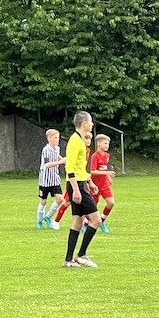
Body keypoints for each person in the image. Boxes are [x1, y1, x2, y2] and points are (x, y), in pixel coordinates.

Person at [62, 112, 102, 268]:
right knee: (96, 220)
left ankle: (68, 260)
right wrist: (76, 190)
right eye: (91, 122)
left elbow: (79, 168)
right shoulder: (75, 141)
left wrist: (89, 182)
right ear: (84, 123)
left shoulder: (79, 140)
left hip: (80, 183)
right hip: (76, 185)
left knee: (78, 222)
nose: (92, 124)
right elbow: (70, 167)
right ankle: (81, 255)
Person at [37, 128, 66, 229]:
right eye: (55, 138)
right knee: (43, 201)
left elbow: (57, 156)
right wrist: (61, 162)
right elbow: (48, 164)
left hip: (55, 179)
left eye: (58, 137)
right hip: (45, 180)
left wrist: (64, 160)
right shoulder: (46, 150)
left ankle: (48, 217)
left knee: (60, 199)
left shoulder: (57, 148)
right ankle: (39, 221)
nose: (57, 140)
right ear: (49, 139)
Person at [89, 133, 117, 233]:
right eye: (105, 143)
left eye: (108, 144)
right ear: (99, 144)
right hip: (95, 185)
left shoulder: (107, 155)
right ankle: (86, 224)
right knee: (93, 207)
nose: (107, 145)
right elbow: (93, 171)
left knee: (111, 203)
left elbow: (103, 169)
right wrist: (107, 173)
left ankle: (101, 221)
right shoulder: (95, 156)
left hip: (104, 184)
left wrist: (108, 177)